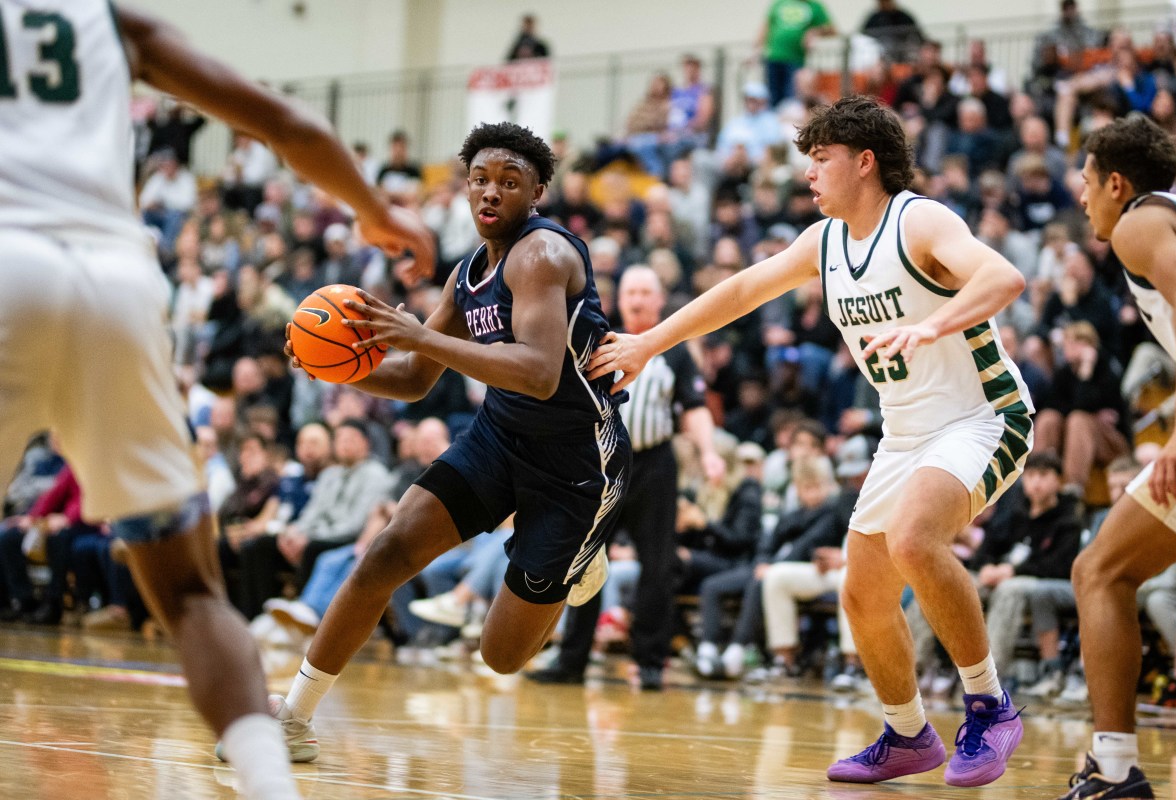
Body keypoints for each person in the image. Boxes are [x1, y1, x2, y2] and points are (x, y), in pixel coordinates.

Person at [0, 4, 434, 800]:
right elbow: (282, 120)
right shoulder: (108, 19)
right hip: (114, 279)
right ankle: (271, 788)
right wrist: (377, 212)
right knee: (194, 593)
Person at [588, 96, 1032, 788]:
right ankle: (909, 735)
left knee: (915, 541)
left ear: (864, 162)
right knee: (861, 593)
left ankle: (990, 705)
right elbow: (739, 291)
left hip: (982, 415)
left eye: (821, 159)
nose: (810, 175)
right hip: (906, 432)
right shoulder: (823, 243)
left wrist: (930, 327)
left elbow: (1004, 276)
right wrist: (650, 340)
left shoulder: (919, 219)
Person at [265, 122, 631, 760]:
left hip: (576, 462)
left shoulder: (542, 256)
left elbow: (542, 374)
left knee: (502, 656)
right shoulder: (468, 273)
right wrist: (333, 366)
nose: (491, 193)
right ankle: (294, 717)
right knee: (386, 553)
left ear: (536, 191)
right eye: (480, 180)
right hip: (498, 436)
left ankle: (580, 564)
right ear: (466, 188)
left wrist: (422, 337)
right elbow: (411, 380)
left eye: (509, 182)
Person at [1058, 115, 1176, 799]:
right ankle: (1110, 768)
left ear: (1117, 182)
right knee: (1101, 570)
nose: (1082, 197)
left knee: (1101, 571)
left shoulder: (1141, 222)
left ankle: (1113, 771)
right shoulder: (1175, 218)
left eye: (1087, 183)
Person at [526, 265, 723, 690]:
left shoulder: (673, 351)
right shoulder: (601, 342)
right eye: (630, 291)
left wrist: (708, 453)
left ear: (657, 300)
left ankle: (651, 662)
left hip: (654, 466)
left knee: (658, 565)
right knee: (585, 562)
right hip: (601, 464)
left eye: (645, 292)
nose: (636, 299)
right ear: (621, 300)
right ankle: (571, 659)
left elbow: (693, 407)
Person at [757, 0, 836, 108]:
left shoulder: (815, 6)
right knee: (772, 98)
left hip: (796, 60)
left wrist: (815, 31)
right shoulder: (779, 3)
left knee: (792, 99)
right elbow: (766, 28)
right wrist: (756, 50)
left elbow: (832, 29)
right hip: (773, 58)